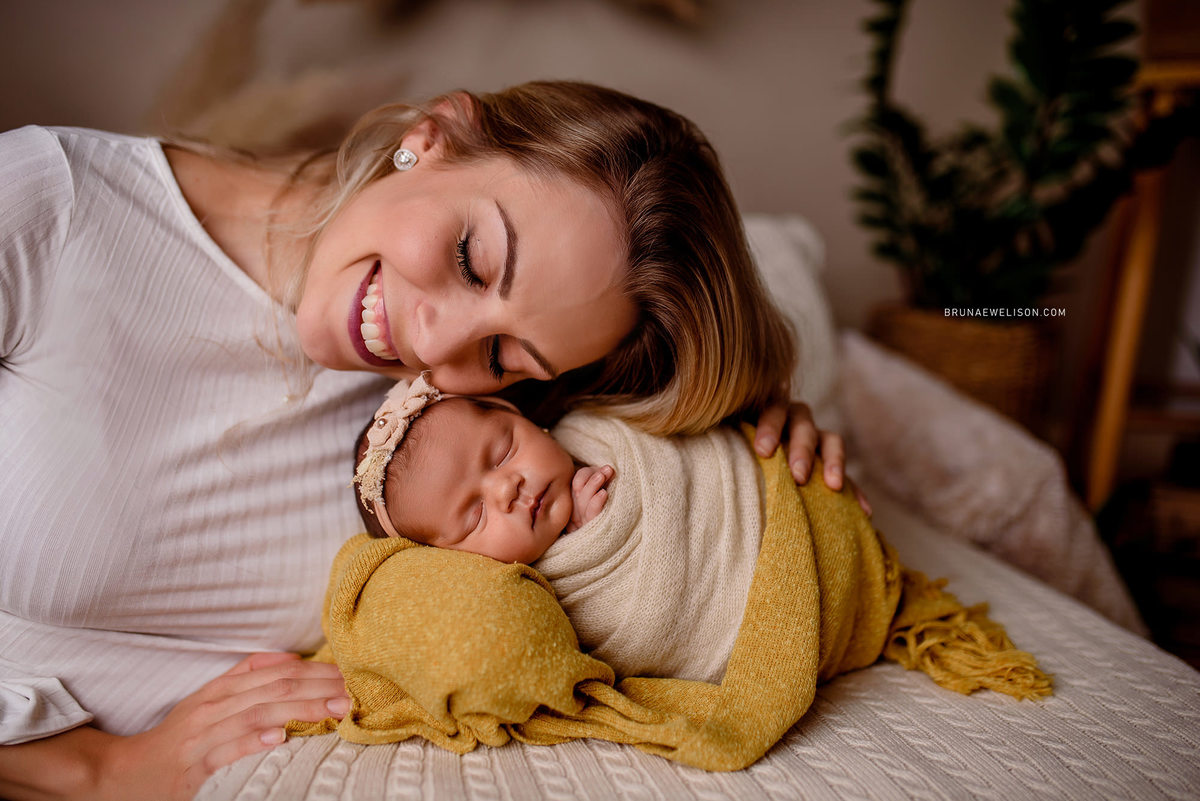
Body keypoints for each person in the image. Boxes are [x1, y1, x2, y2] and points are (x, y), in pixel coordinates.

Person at [0, 80, 859, 800]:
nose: (435, 342)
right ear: (432, 137)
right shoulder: (50, 208)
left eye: (504, 350)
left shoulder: (481, 415)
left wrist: (755, 440)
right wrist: (101, 771)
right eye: (472, 258)